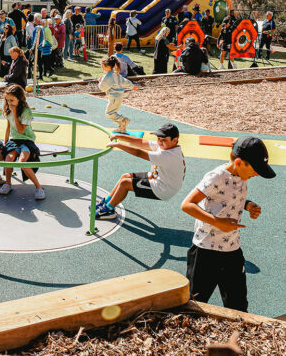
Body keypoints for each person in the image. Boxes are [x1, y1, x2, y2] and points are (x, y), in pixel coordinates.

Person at [181, 137, 275, 312]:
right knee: (194, 305)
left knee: (238, 306)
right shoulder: (216, 176)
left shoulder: (241, 175)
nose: (257, 174)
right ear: (240, 162)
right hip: (205, 251)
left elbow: (226, 196)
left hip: (232, 250)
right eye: (255, 169)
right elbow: (187, 204)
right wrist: (217, 222)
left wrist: (247, 205)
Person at [96, 123, 186, 220]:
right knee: (125, 176)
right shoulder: (167, 146)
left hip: (163, 189)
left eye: (163, 140)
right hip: (157, 177)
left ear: (175, 140)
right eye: (158, 139)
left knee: (125, 183)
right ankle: (107, 202)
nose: (160, 142)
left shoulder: (169, 155)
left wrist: (118, 144)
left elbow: (139, 152)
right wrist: (120, 136)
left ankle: (108, 210)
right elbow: (142, 142)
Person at [0, 84, 45, 199]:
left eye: (12, 100)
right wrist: (5, 142)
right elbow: (8, 127)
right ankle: (8, 183)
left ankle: (39, 187)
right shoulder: (9, 109)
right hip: (14, 140)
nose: (9, 103)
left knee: (23, 162)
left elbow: (20, 130)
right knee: (8, 159)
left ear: (19, 99)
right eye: (7, 100)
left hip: (26, 140)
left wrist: (14, 113)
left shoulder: (26, 111)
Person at [98, 56, 135, 133]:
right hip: (119, 96)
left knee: (109, 113)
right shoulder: (116, 74)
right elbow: (125, 81)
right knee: (113, 112)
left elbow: (102, 87)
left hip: (114, 98)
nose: (102, 69)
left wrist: (100, 81)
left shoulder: (108, 76)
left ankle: (123, 120)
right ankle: (122, 128)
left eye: (103, 67)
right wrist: (132, 86)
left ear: (108, 66)